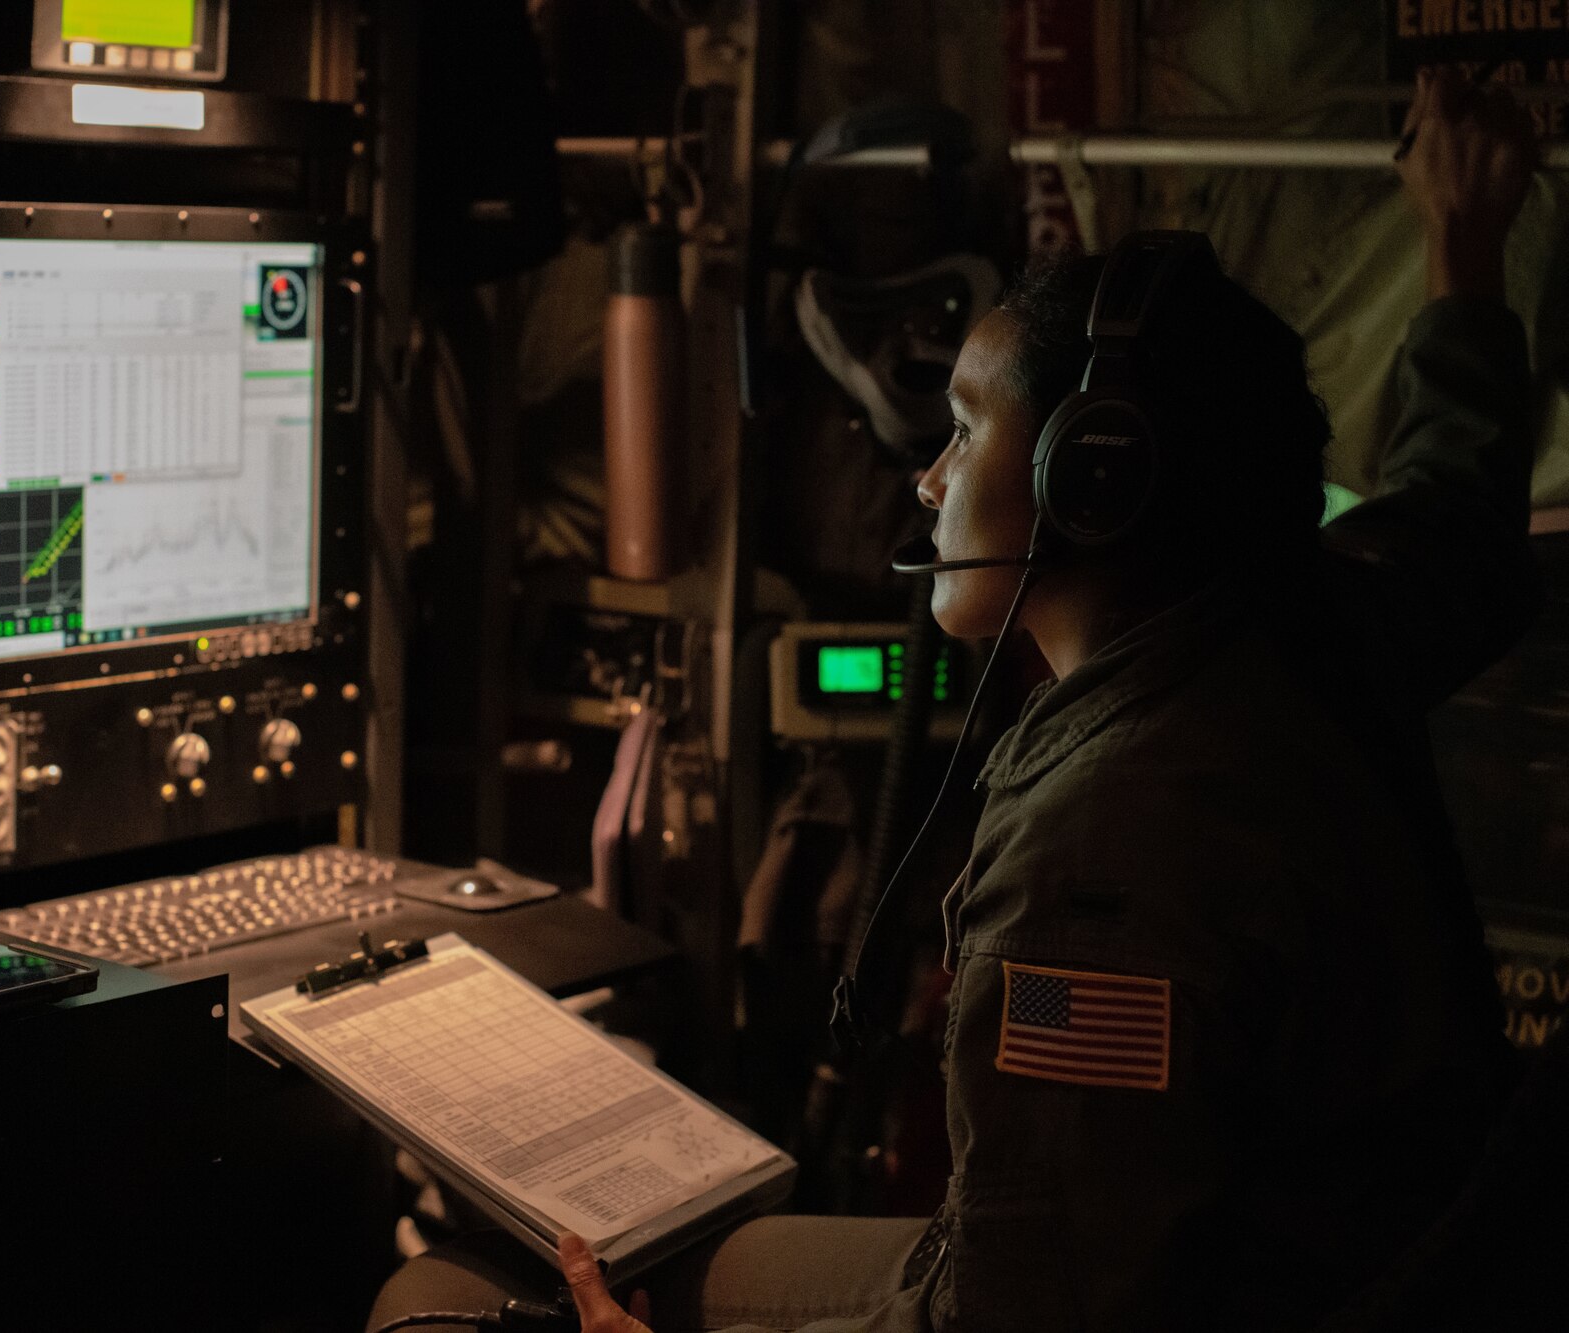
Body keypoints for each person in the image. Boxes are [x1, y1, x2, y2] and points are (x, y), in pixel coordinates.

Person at [368, 65, 1542, 1333]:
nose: (927, 479)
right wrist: (1461, 248)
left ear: (1093, 482)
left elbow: (1033, 1311)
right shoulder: (1312, 615)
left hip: (1179, 1296)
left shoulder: (1100, 859)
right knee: (684, 1260)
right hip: (1303, 1259)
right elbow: (1462, 508)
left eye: (967, 430)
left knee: (436, 1299)